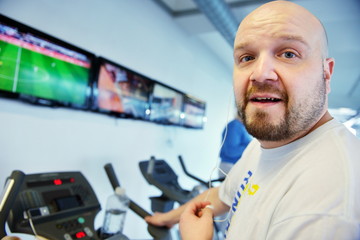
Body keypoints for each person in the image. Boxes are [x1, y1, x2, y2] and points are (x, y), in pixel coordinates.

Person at [145, 1, 360, 239]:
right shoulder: (265, 145)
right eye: (247, 57)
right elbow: (222, 195)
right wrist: (167, 219)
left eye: (289, 53)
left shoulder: (327, 208)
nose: (259, 74)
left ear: (326, 73)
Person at [218, 113, 252, 178]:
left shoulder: (240, 126)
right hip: (230, 167)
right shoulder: (234, 126)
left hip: (234, 166)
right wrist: (252, 146)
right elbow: (231, 151)